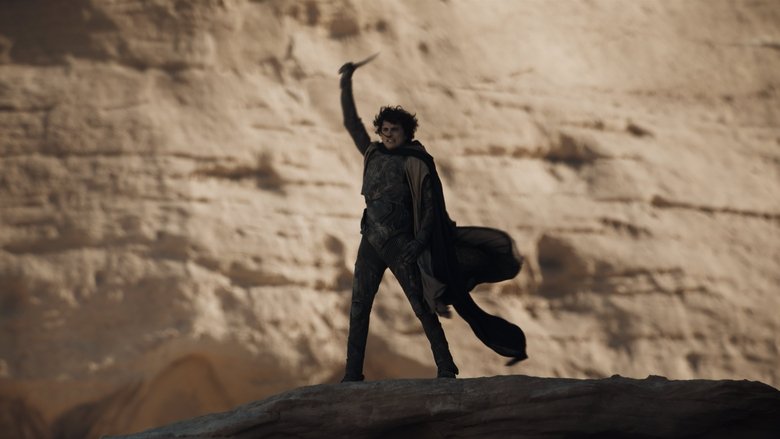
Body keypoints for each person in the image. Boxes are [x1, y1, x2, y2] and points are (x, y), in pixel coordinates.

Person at [339, 57, 527, 383]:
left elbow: (429, 211)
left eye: (393, 130)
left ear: (405, 131)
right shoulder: (373, 153)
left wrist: (418, 244)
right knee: (358, 305)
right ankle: (352, 374)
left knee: (421, 307)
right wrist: (346, 83)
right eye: (383, 130)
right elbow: (351, 123)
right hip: (371, 239)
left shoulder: (417, 162)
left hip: (401, 243)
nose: (387, 135)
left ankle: (446, 368)